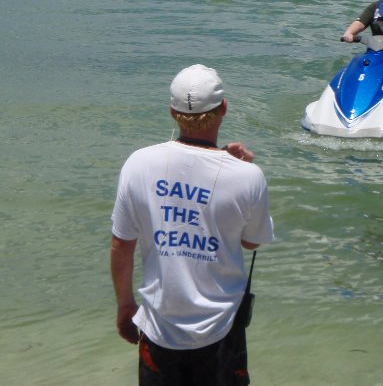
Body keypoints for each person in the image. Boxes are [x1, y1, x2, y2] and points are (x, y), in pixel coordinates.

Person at [110, 64, 275, 385]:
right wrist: (239, 169)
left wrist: (125, 306)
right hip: (222, 329)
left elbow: (121, 245)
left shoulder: (138, 163)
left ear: (173, 112)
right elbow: (251, 241)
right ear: (223, 108)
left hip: (159, 327)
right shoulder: (247, 176)